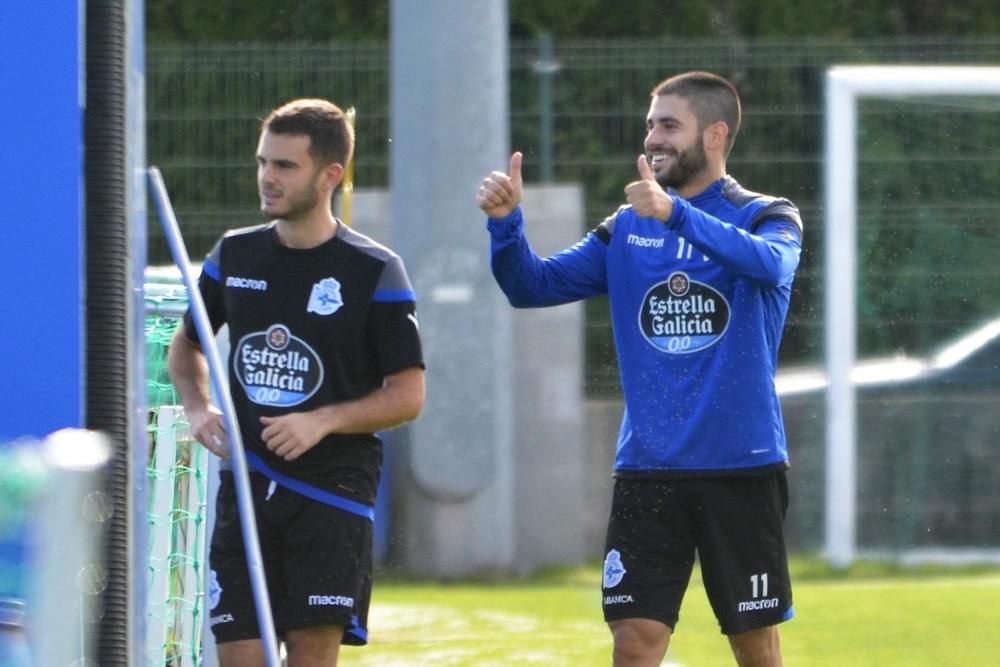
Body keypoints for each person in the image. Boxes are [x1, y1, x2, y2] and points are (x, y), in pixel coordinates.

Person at [477, 71, 801, 666]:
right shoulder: (628, 225)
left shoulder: (765, 215)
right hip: (648, 468)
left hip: (741, 465)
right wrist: (506, 225)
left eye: (670, 125)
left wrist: (676, 216)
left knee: (755, 646)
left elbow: (772, 267)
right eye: (651, 123)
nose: (653, 137)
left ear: (716, 134)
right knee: (634, 640)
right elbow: (532, 286)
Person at [168, 98, 425, 667]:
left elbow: (407, 395)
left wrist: (322, 419)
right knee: (241, 657)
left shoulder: (374, 270)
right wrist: (199, 407)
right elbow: (186, 347)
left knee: (310, 658)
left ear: (329, 175)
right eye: (263, 162)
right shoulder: (235, 254)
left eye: (284, 166)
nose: (267, 177)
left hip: (330, 494)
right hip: (246, 487)